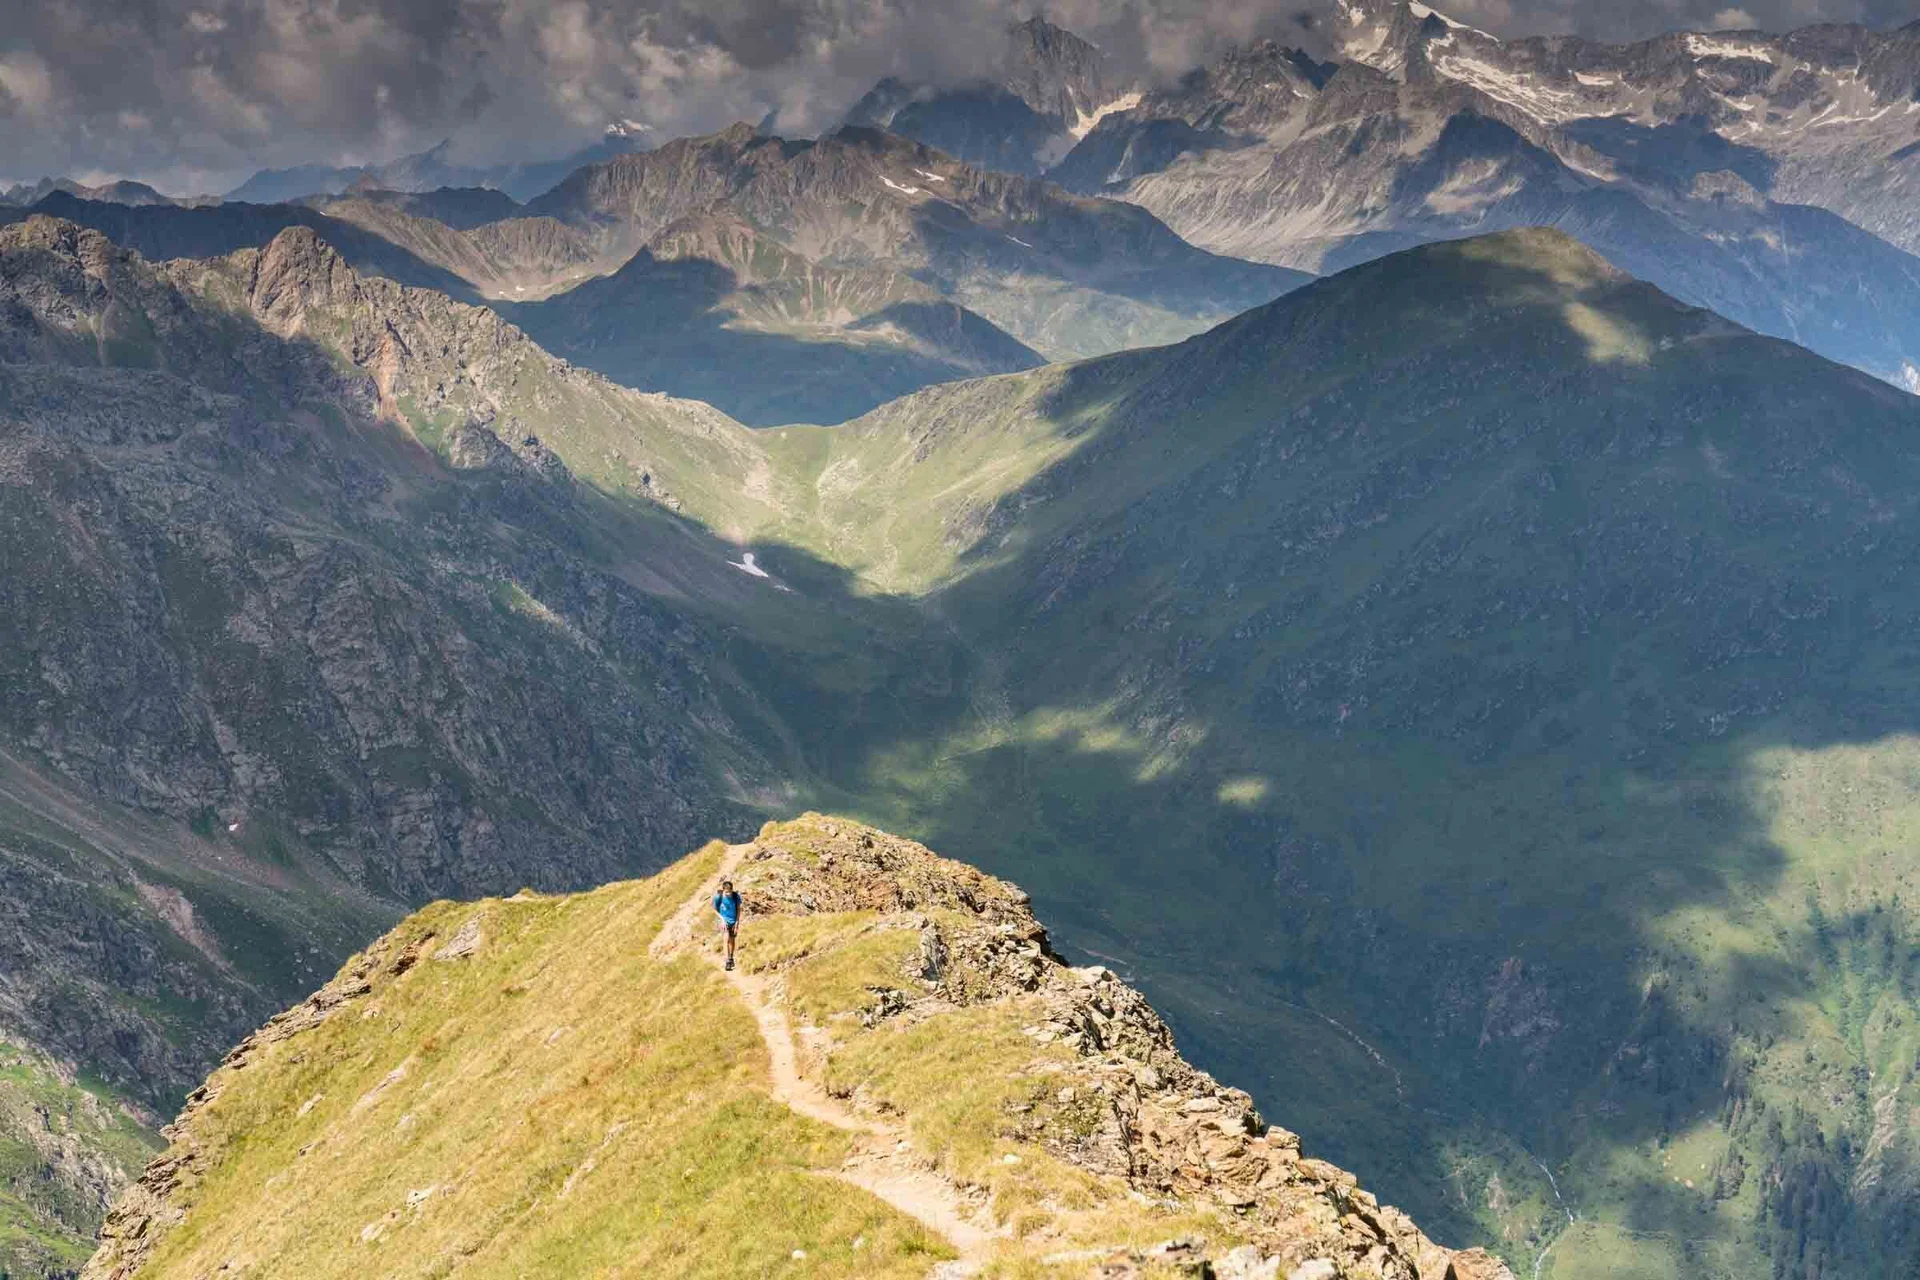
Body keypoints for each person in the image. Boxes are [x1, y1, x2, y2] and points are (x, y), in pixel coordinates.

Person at [713, 880, 742, 970]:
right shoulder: (719, 897)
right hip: (723, 921)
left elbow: (738, 909)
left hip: (733, 921)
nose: (728, 894)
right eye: (726, 892)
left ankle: (731, 957)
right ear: (723, 890)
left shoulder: (736, 896)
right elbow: (714, 909)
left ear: (732, 889)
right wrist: (722, 920)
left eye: (730, 891)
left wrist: (737, 922)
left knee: (732, 940)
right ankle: (727, 961)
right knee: (726, 939)